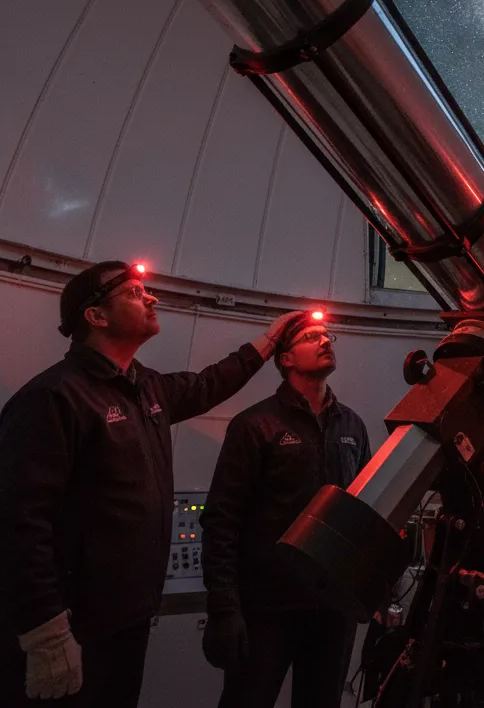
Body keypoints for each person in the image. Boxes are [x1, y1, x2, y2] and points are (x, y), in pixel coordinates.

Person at [0, 259, 305, 707]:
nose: (152, 298)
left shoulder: (146, 390)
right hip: (72, 626)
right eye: (135, 293)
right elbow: (18, 519)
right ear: (95, 316)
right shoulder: (54, 397)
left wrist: (271, 338)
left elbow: (207, 384)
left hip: (129, 618)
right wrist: (45, 629)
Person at [200, 311, 372, 708]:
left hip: (333, 608)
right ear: (286, 360)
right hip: (267, 608)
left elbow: (362, 511)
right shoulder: (255, 425)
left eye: (327, 335)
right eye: (311, 337)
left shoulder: (352, 426)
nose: (325, 340)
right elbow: (222, 520)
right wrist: (224, 606)